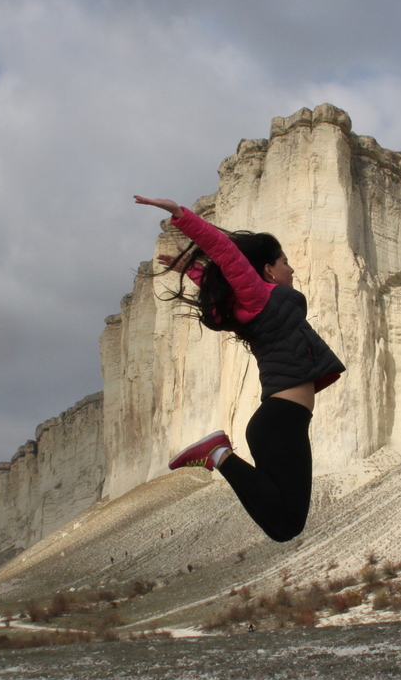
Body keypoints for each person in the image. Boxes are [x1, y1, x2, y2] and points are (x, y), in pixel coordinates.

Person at [133, 195, 345, 542]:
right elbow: (227, 254)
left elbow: (228, 287)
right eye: (285, 262)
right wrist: (180, 215)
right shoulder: (261, 298)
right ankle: (218, 453)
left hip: (281, 421)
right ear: (267, 270)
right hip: (281, 421)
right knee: (287, 524)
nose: (291, 269)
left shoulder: (257, 304)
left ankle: (219, 454)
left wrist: (195, 273)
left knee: (284, 527)